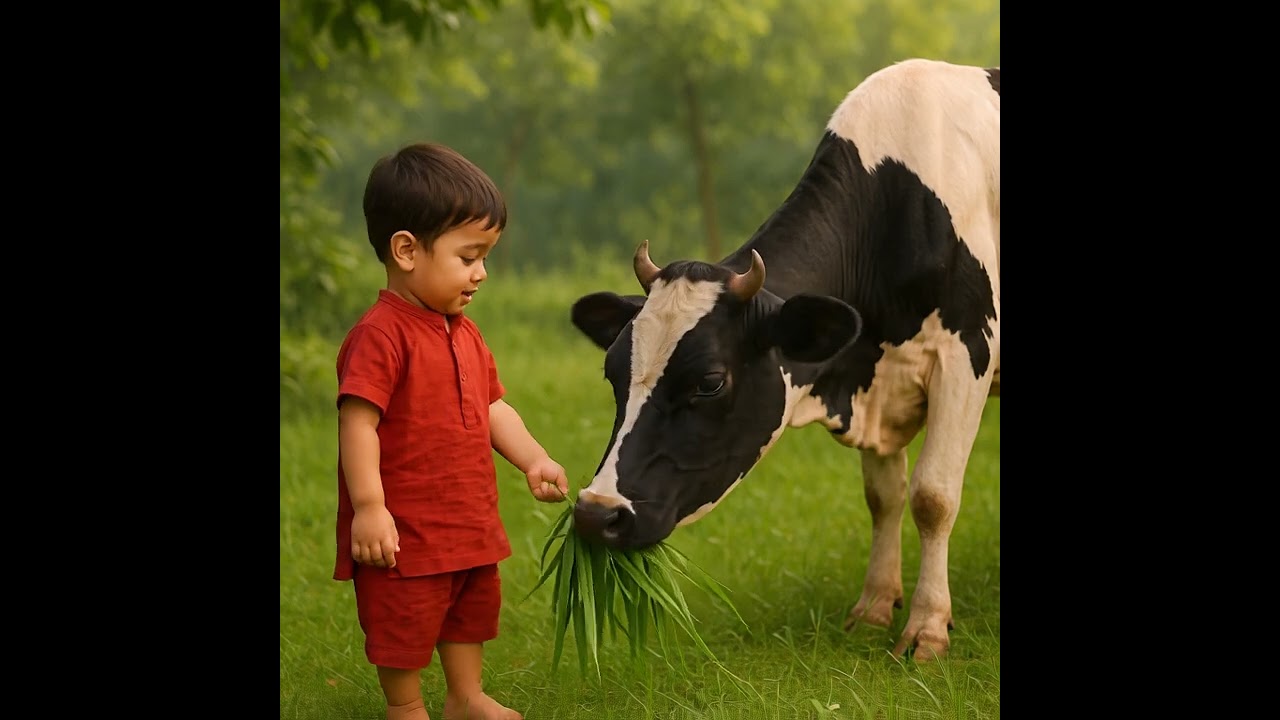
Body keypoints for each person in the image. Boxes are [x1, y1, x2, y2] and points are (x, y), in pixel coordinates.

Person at [333, 142, 570, 720]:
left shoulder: (464, 331)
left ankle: (466, 696)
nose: (481, 272)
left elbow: (492, 407)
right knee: (405, 618)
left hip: (467, 516)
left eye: (486, 256)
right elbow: (358, 422)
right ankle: (406, 705)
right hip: (406, 527)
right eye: (469, 257)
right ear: (408, 250)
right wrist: (369, 506)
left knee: (470, 611)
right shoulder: (380, 335)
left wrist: (533, 458)